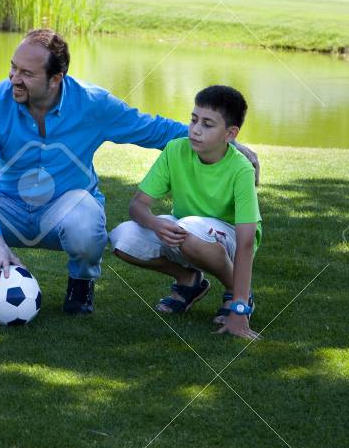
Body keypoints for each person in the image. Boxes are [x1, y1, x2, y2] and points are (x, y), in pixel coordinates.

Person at [0, 28, 258, 315]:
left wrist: (229, 148)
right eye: (13, 68)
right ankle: (4, 268)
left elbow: (151, 129)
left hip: (66, 209)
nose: (14, 78)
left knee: (85, 222)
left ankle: (81, 283)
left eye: (27, 73)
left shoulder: (93, 104)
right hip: (9, 204)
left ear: (56, 79)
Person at [109, 85, 262, 340]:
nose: (196, 129)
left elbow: (246, 242)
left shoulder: (241, 169)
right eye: (193, 120)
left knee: (190, 229)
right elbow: (137, 206)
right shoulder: (175, 150)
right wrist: (155, 223)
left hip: (229, 241)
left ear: (230, 133)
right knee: (121, 238)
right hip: (187, 230)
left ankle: (236, 293)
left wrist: (239, 308)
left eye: (207, 124)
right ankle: (189, 280)